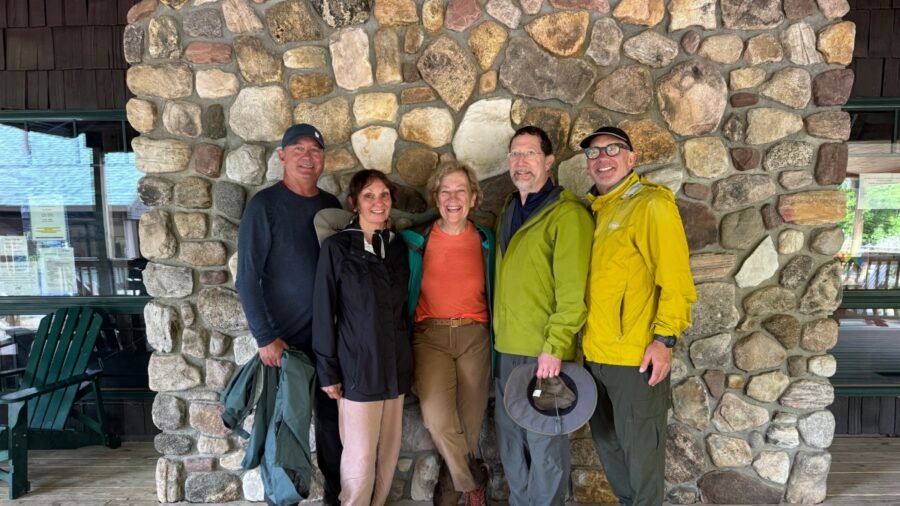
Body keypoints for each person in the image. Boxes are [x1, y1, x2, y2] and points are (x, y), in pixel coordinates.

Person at [579, 126, 697, 506]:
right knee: (612, 455)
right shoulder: (591, 212)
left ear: (632, 160)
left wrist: (664, 340)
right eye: (594, 153)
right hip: (595, 358)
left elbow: (676, 281)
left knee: (642, 465)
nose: (603, 158)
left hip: (635, 361)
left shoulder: (651, 206)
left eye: (613, 149)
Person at [235, 123, 342, 506]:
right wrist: (264, 337)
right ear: (282, 156)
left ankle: (336, 496)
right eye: (297, 149)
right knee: (286, 430)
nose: (307, 156)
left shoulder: (332, 207)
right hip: (285, 346)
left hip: (330, 342)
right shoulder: (264, 207)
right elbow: (246, 279)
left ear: (323, 159)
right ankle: (281, 499)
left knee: (333, 429)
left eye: (314, 150)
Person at [492, 126, 593, 505]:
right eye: (515, 154)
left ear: (549, 161)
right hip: (506, 352)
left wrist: (554, 347)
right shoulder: (508, 209)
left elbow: (572, 295)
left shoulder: (568, 215)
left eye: (530, 153)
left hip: (544, 356)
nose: (520, 162)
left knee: (546, 451)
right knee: (511, 448)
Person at [312, 170, 411, 506]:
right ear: (354, 202)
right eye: (369, 195)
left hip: (394, 367)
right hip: (358, 367)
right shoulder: (337, 248)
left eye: (384, 195)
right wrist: (328, 370)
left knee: (388, 454)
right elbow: (324, 311)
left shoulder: (398, 249)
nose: (378, 202)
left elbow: (403, 311)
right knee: (360, 458)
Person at [401, 163, 494, 506]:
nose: (453, 198)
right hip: (430, 337)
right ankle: (473, 481)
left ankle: (446, 498)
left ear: (473, 197)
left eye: (460, 191)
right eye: (445, 191)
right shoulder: (417, 240)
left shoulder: (486, 240)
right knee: (438, 421)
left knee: (468, 431)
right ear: (436, 198)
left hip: (475, 338)